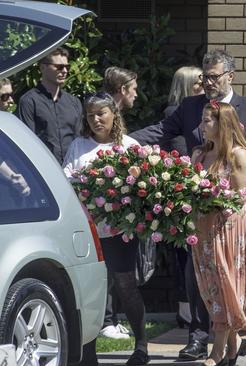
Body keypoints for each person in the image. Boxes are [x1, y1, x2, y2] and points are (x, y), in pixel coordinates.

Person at [130, 49, 246, 361]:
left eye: (214, 77)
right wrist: (121, 140)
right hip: (202, 221)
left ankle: (223, 345)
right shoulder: (191, 106)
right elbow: (160, 132)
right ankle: (199, 336)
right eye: (204, 77)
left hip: (233, 219)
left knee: (229, 280)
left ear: (230, 77)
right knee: (200, 280)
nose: (208, 82)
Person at [63, 92, 149, 366]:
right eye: (91, 115)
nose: (96, 119)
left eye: (101, 113)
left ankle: (142, 346)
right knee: (88, 290)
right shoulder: (78, 146)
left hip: (119, 231)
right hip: (87, 232)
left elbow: (144, 188)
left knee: (125, 285)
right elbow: (67, 180)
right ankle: (88, 353)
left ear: (114, 114)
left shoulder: (129, 146)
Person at [192, 101, 246, 366]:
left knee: (227, 287)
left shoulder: (238, 155)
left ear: (222, 124)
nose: (202, 126)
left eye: (207, 121)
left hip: (229, 229)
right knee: (213, 289)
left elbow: (240, 195)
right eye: (203, 121)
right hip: (203, 231)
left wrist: (210, 198)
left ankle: (217, 352)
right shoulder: (200, 156)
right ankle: (233, 346)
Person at [96, 66, 140, 341]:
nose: (137, 95)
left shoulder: (122, 128)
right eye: (134, 89)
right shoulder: (101, 113)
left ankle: (111, 319)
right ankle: (106, 319)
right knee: (106, 268)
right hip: (101, 209)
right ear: (123, 90)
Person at [164, 65, 204, 328]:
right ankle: (186, 310)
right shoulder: (176, 113)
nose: (203, 87)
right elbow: (180, 153)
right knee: (184, 254)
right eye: (198, 83)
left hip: (192, 190)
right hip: (181, 193)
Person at [16, 47, 83, 164]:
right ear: (43, 67)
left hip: (73, 170)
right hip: (45, 169)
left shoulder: (74, 102)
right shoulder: (29, 101)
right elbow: (27, 142)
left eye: (67, 67)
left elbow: (80, 139)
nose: (65, 71)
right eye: (59, 67)